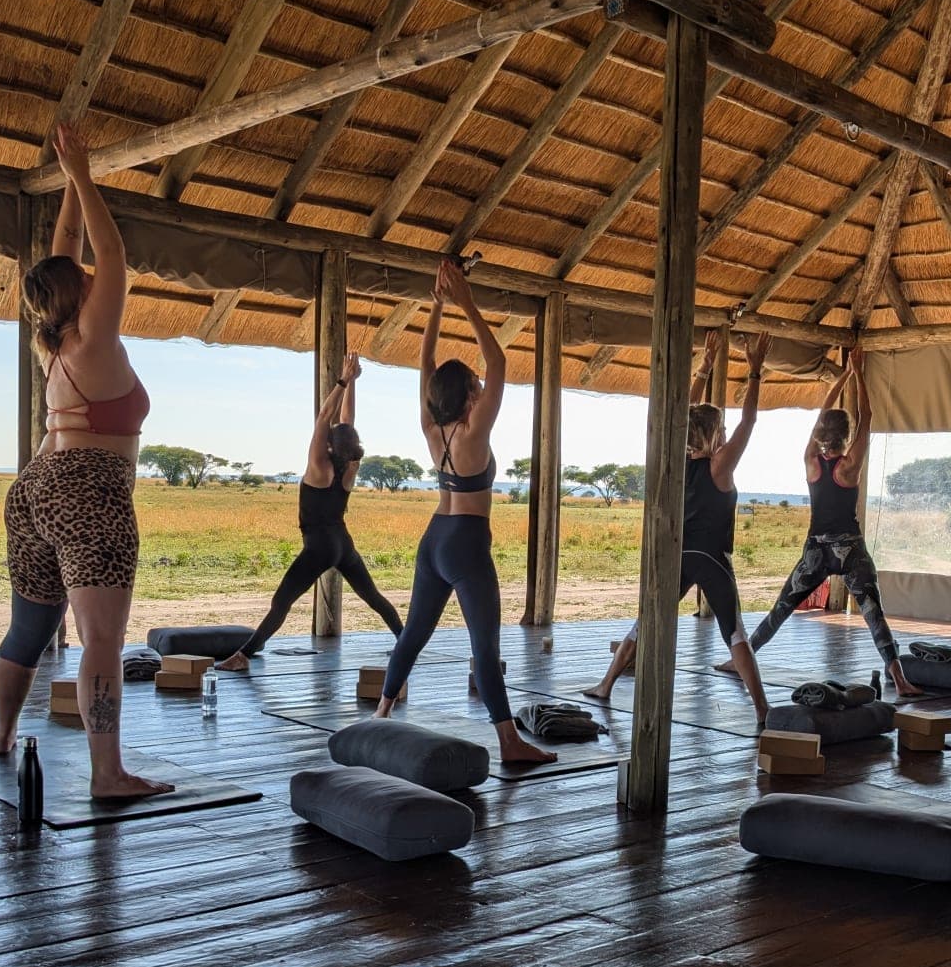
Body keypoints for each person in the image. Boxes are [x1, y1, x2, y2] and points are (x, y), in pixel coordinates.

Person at [0, 124, 173, 800]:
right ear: (81, 292)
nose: (98, 277)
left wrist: (70, 178)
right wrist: (88, 178)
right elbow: (112, 249)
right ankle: (108, 774)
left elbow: (64, 251)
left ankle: (2, 737)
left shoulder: (54, 346)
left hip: (34, 484)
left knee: (29, 627)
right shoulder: (96, 334)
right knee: (101, 638)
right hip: (89, 489)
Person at [373, 256, 555, 765]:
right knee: (485, 646)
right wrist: (466, 304)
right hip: (467, 544)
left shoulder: (434, 433)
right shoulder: (474, 433)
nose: (482, 389)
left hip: (434, 539)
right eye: (476, 387)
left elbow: (426, 367)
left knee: (414, 633)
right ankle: (510, 742)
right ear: (470, 395)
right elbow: (498, 364)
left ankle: (381, 715)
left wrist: (435, 308)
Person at [583, 330, 771, 724]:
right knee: (734, 633)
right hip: (712, 558)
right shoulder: (720, 465)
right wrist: (754, 371)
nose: (724, 434)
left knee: (646, 620)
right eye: (721, 430)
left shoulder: (678, 460)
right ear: (715, 435)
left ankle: (606, 685)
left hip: (679, 555)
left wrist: (704, 366)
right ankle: (762, 708)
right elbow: (751, 420)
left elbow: (681, 412)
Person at [739, 342, 919, 696]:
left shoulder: (810, 460)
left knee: (783, 605)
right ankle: (900, 680)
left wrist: (840, 381)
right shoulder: (849, 467)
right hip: (849, 548)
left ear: (821, 434)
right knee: (873, 614)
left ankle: (742, 658)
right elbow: (867, 418)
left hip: (816, 550)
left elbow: (821, 418)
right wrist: (858, 375)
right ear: (846, 437)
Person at [217, 353, 403, 672]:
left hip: (319, 546)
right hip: (343, 544)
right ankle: (405, 640)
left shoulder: (320, 465)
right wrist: (353, 383)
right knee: (372, 596)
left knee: (282, 601)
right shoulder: (349, 466)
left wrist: (344, 380)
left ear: (329, 444)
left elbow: (325, 417)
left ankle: (243, 656)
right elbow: (347, 424)